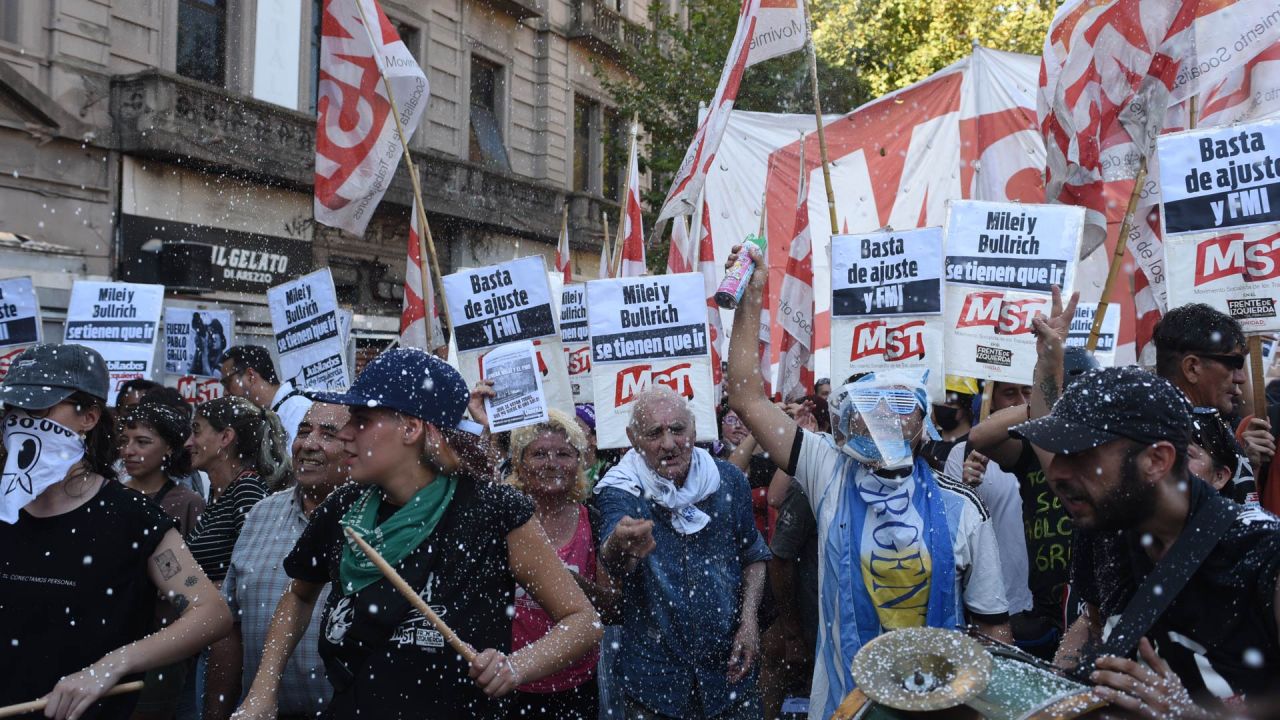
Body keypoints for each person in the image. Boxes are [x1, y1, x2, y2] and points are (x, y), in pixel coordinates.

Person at [230, 348, 601, 720]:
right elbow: (298, 595)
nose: (344, 434)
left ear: (411, 429)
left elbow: (583, 621)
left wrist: (516, 666)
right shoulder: (344, 507)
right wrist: (263, 692)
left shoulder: (494, 511)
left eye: (361, 420)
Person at [724, 242, 1010, 720]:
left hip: (938, 708)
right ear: (846, 419)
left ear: (923, 421)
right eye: (868, 405)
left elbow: (993, 631)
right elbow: (746, 397)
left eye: (900, 405)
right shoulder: (827, 469)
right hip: (845, 706)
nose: (884, 418)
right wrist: (752, 299)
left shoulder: (961, 508)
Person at [1015, 366, 1280, 713]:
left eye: (1081, 454)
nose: (1057, 472)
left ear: (1157, 460)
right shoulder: (1104, 524)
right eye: (1059, 454)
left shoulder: (1264, 555)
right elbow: (1092, 625)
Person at [0, 343, 231, 720]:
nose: (21, 421)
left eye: (39, 409)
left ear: (89, 417)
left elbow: (210, 612)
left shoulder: (132, 518)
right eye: (13, 410)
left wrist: (112, 665)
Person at [595, 386, 771, 719]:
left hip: (730, 677)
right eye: (654, 433)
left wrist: (749, 621)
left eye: (677, 429)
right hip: (654, 684)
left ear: (694, 429)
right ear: (633, 438)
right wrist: (620, 542)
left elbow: (753, 556)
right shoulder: (622, 487)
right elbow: (613, 559)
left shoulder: (728, 480)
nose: (669, 443)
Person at [204, 403, 353, 720]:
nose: (308, 444)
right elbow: (230, 628)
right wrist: (216, 712)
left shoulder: (377, 520)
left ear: (357, 448)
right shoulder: (261, 513)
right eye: (303, 431)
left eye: (328, 435)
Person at [504, 409, 618, 719]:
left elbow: (610, 609)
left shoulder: (594, 521)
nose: (552, 463)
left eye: (564, 454)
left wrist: (565, 583)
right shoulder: (502, 521)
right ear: (520, 464)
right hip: (509, 680)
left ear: (579, 462)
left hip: (574, 687)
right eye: (539, 454)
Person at [1152, 303, 1267, 503]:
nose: (1240, 378)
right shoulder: (1163, 435)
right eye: (1233, 363)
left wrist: (1249, 464)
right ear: (1192, 368)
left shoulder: (1211, 425)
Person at [219, 345, 313, 449]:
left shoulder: (297, 409)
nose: (225, 393)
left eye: (227, 382)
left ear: (250, 376)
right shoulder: (262, 414)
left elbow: (296, 458)